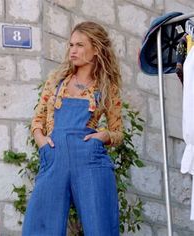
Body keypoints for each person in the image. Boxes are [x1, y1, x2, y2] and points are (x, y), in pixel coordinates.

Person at [22, 21, 123, 236]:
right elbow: (37, 119)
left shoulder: (106, 87)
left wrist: (103, 136)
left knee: (100, 226)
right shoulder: (56, 81)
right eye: (71, 45)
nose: (73, 50)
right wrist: (42, 142)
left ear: (95, 50)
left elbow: (118, 131)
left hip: (89, 158)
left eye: (79, 45)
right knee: (40, 225)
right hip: (54, 155)